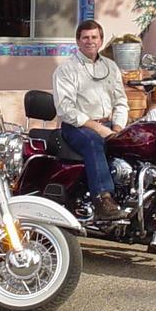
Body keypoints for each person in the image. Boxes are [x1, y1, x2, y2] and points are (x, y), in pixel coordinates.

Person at [52, 20, 131, 221]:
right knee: (93, 141)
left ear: (101, 40)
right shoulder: (66, 69)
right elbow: (65, 108)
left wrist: (118, 127)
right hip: (77, 126)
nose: (90, 41)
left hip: (108, 124)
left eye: (94, 37)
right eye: (85, 37)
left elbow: (121, 101)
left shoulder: (111, 67)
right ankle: (102, 199)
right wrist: (97, 127)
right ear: (78, 41)